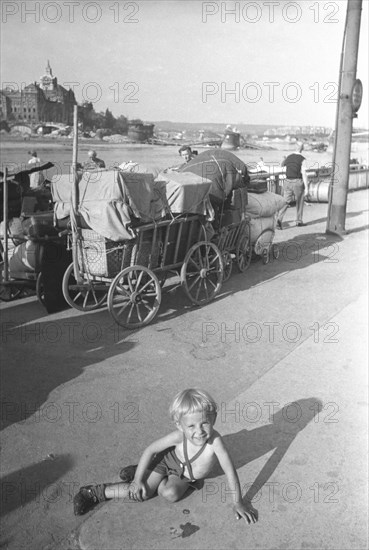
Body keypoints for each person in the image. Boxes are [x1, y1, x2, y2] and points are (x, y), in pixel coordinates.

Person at [73, 388, 257, 524]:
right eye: (191, 426)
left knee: (171, 494)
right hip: (166, 462)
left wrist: (238, 502)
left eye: (205, 423)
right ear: (180, 425)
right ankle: (94, 492)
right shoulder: (178, 437)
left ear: (214, 419)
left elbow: (230, 471)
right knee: (143, 491)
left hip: (184, 475)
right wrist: (137, 480)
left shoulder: (215, 442)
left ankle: (142, 470)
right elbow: (150, 450)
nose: (199, 431)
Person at [276, 142, 308, 229]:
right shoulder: (302, 159)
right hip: (297, 182)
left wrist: (285, 159)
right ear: (302, 148)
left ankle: (279, 220)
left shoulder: (289, 156)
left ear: (295, 147)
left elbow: (282, 165)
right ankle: (299, 221)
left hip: (287, 181)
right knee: (300, 201)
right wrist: (307, 188)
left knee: (286, 201)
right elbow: (304, 173)